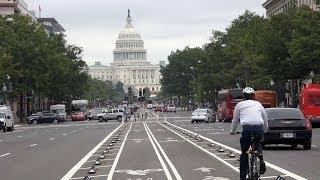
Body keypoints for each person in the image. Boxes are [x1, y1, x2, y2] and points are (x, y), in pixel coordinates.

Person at [230, 87, 268, 180]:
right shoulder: (258, 104)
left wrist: (232, 131)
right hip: (259, 128)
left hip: (247, 129)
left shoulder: (239, 105)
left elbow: (235, 120)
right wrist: (265, 130)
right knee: (258, 142)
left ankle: (243, 177)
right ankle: (260, 157)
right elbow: (265, 118)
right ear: (253, 96)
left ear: (244, 96)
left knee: (244, 153)